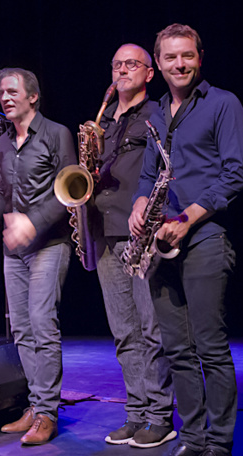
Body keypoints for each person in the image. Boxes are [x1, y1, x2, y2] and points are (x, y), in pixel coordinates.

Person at [129, 24, 243, 456]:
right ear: (157, 64)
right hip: (161, 242)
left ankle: (219, 442)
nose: (180, 64)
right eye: (170, 58)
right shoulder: (156, 113)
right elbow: (147, 173)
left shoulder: (223, 104)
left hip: (204, 238)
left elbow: (236, 174)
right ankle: (194, 439)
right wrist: (140, 202)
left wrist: (187, 218)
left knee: (210, 348)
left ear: (200, 57)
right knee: (177, 349)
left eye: (188, 56)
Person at [0, 68, 75, 445]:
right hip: (14, 251)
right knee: (23, 330)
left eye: (13, 91)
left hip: (50, 244)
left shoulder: (57, 134)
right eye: (1, 92)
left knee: (43, 324)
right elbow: (0, 194)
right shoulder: (2, 143)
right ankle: (35, 404)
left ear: (33, 97)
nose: (5, 97)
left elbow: (69, 193)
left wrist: (33, 222)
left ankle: (47, 413)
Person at [91, 43, 175, 448]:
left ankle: (160, 416)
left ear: (149, 73)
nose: (123, 70)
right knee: (124, 331)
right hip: (105, 231)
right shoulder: (104, 118)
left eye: (132, 64)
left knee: (151, 328)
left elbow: (164, 167)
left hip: (142, 233)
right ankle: (136, 413)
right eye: (117, 63)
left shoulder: (157, 112)